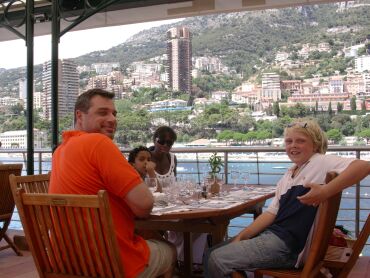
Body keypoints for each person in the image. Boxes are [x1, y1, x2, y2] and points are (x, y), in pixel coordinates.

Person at [204, 119, 370, 278]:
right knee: (211, 253)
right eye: (289, 141)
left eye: (301, 141)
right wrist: (243, 235)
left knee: (218, 259)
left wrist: (325, 191)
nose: (293, 146)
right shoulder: (289, 175)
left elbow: (363, 166)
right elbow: (272, 213)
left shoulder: (320, 161)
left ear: (315, 145)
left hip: (289, 247)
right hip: (276, 238)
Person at [49, 88, 175, 278]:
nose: (112, 119)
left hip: (65, 261)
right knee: (169, 249)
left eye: (114, 113)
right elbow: (144, 205)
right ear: (79, 116)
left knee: (146, 237)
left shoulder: (60, 150)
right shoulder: (99, 143)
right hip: (108, 263)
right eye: (102, 112)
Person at [150, 126, 208, 267]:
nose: (165, 145)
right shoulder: (146, 158)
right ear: (154, 140)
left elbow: (175, 184)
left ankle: (190, 261)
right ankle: (181, 260)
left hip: (173, 205)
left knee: (204, 222)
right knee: (192, 224)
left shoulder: (172, 158)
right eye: (161, 141)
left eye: (169, 143)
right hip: (154, 208)